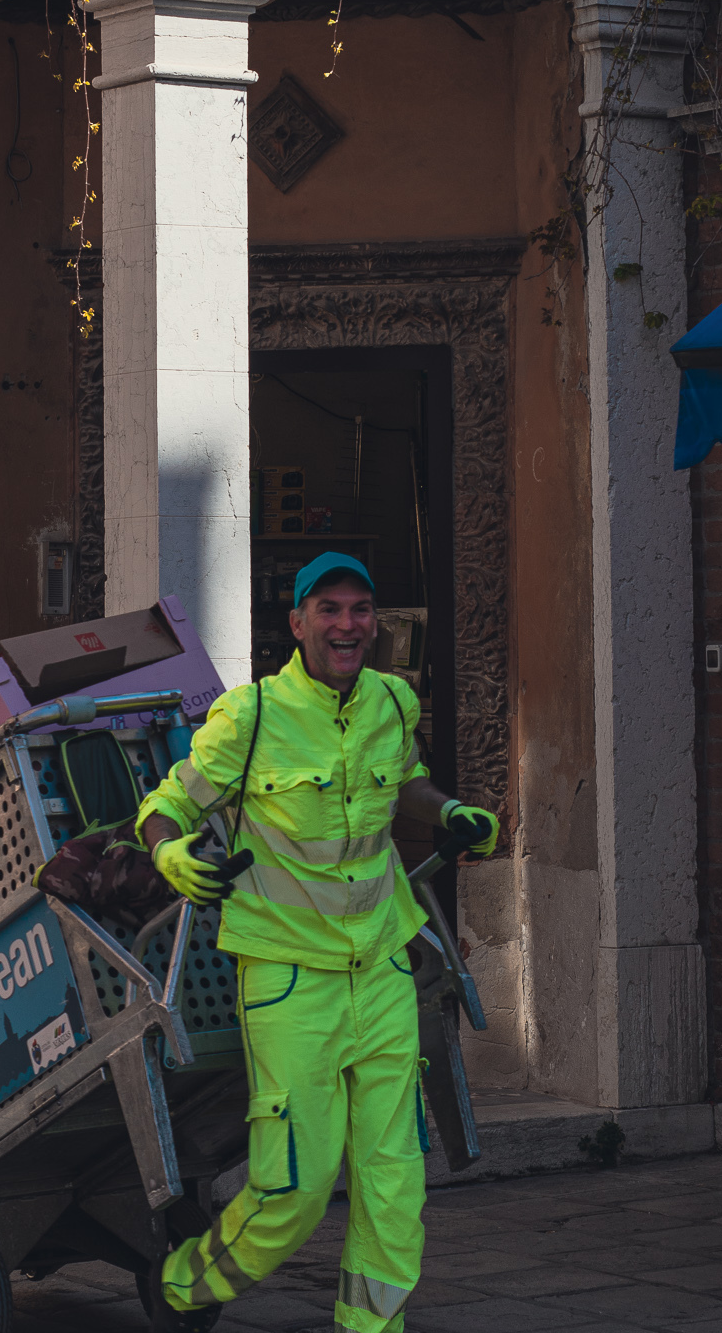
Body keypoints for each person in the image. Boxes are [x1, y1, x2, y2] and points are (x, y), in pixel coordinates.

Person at [136, 551, 499, 1333]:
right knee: (291, 1189)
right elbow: (168, 804)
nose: (346, 625)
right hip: (288, 978)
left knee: (394, 1177)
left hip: (380, 968)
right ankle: (183, 1285)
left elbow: (405, 782)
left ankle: (370, 1326)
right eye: (328, 610)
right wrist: (170, 851)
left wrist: (448, 813)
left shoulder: (392, 702)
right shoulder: (252, 716)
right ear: (296, 623)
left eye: (359, 609)